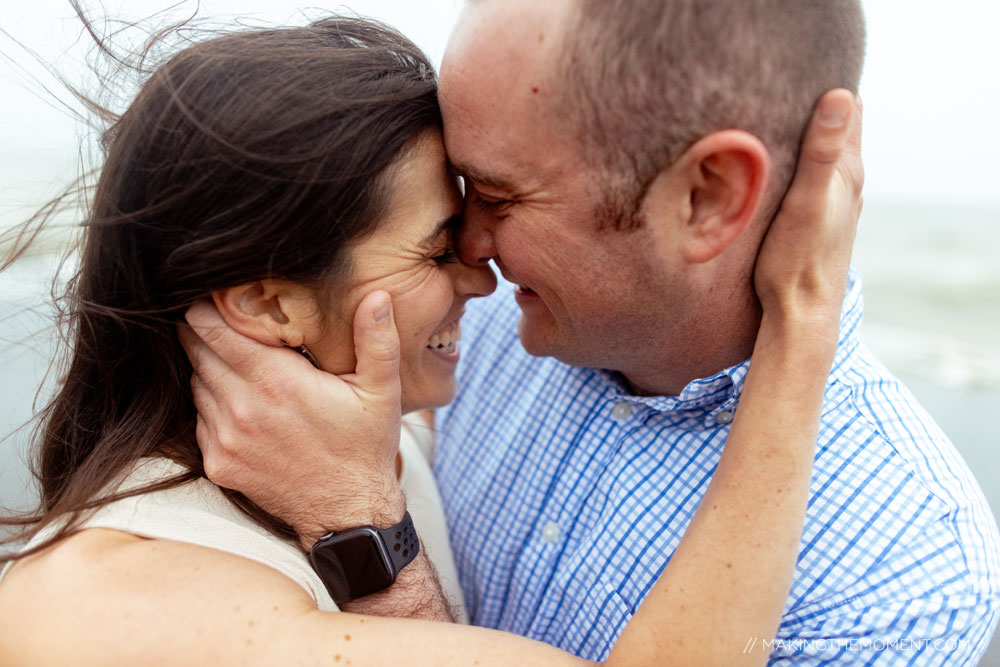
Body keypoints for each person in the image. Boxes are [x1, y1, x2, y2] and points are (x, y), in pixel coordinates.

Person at [0, 10, 864, 666]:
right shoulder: (112, 600)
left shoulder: (372, 438)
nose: (481, 279)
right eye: (434, 246)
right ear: (268, 303)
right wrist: (800, 322)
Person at [176, 0, 1000, 664]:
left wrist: (361, 527)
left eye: (497, 195)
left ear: (707, 195)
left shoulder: (902, 576)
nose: (468, 250)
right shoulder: (475, 324)